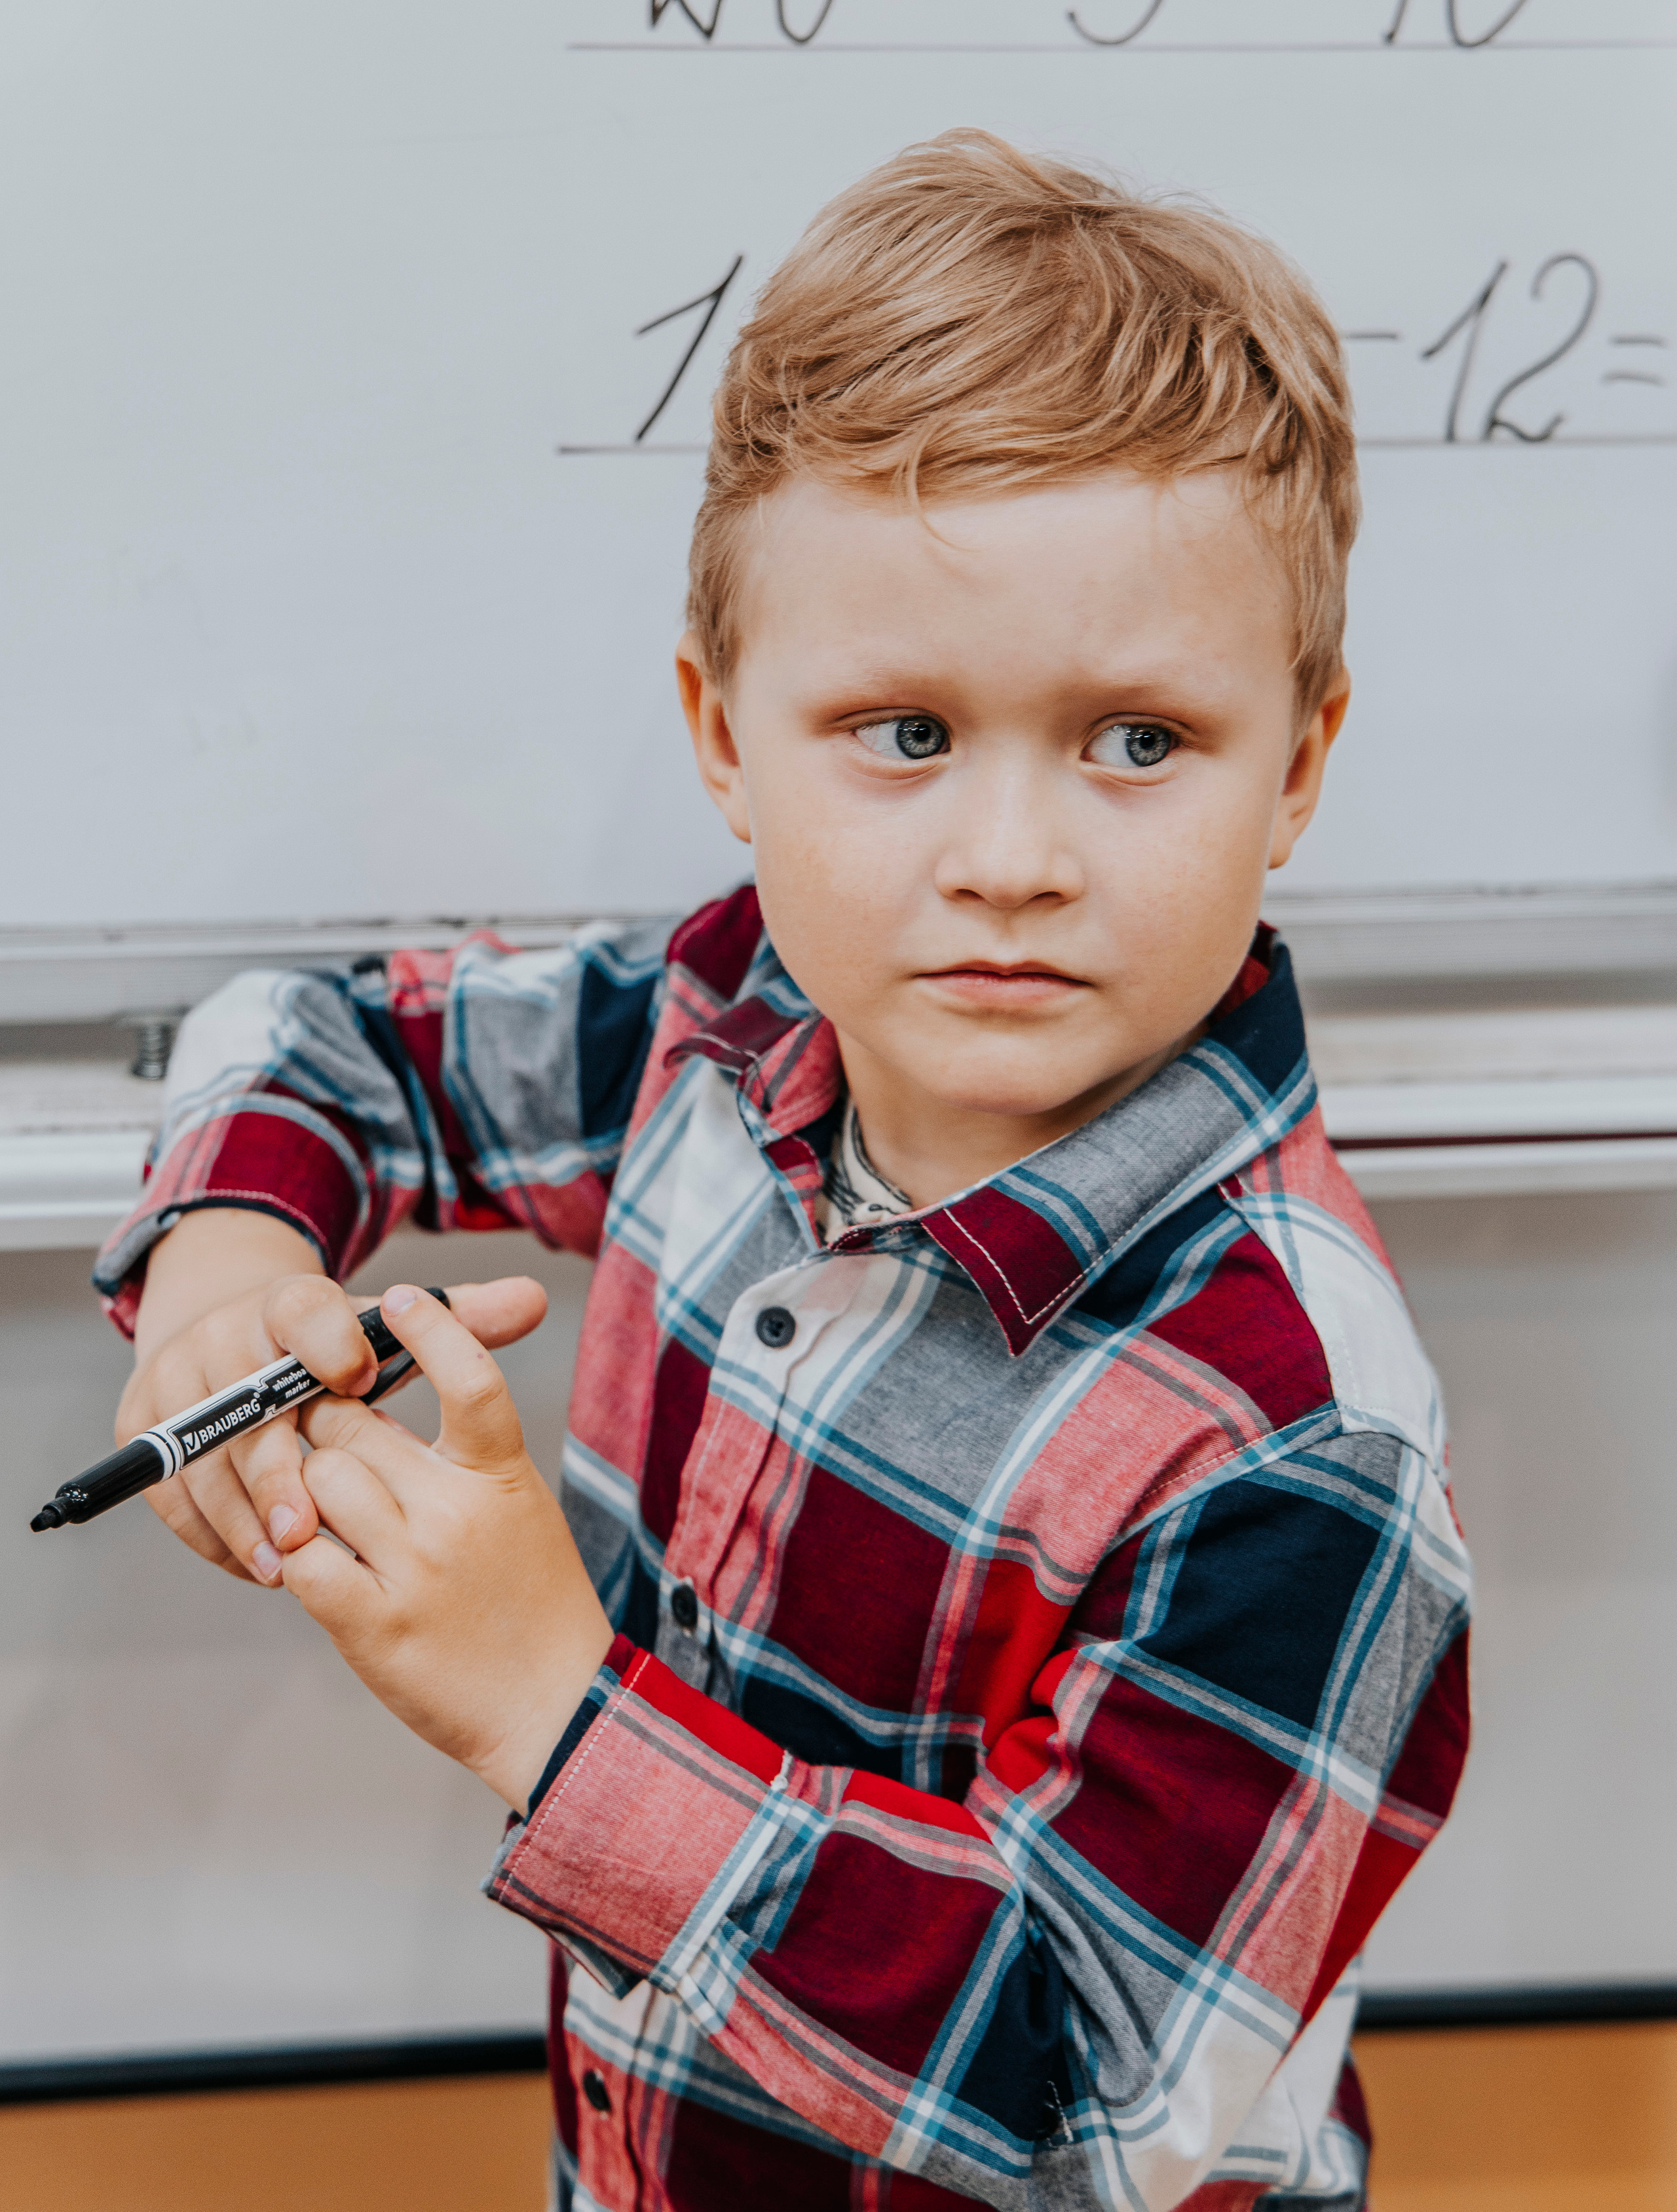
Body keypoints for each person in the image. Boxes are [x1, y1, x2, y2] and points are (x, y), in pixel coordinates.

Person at [96, 132, 1471, 2211]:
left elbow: (1087, 2097)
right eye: (904, 735)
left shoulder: (1300, 1437)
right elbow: (325, 1037)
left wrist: (556, 1715)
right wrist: (224, 1257)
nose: (1009, 857)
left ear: (1298, 765)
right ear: (723, 734)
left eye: (1137, 742)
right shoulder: (727, 1025)